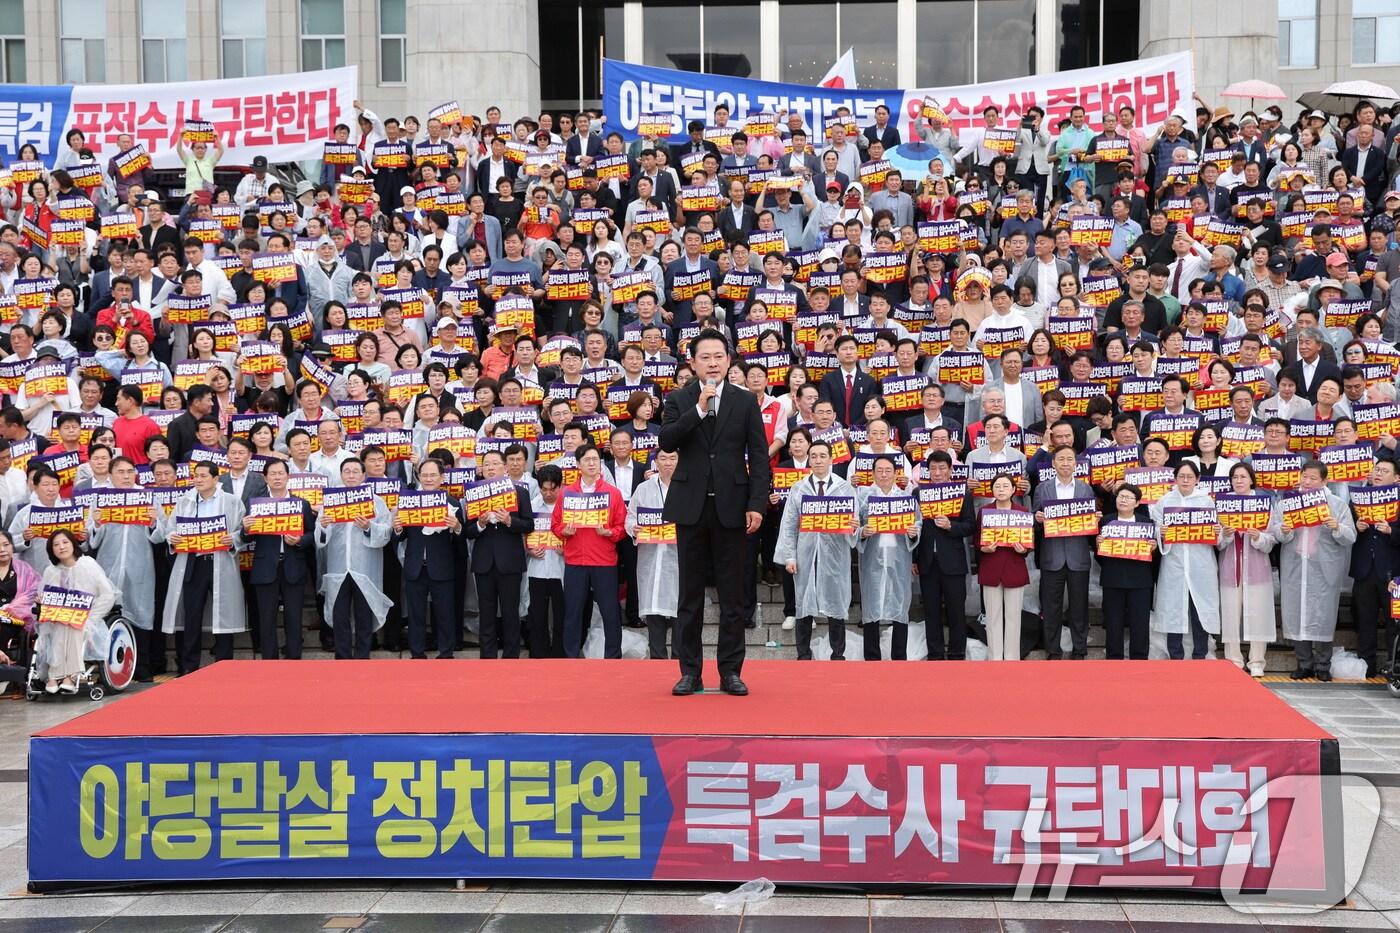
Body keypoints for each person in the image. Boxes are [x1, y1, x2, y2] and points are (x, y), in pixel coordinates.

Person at [659, 332, 770, 695]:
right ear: (692, 362)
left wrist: (756, 504)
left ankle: (730, 671)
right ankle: (690, 672)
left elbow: (759, 456)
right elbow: (667, 441)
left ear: (728, 360)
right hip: (691, 507)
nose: (712, 363)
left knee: (733, 596)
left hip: (732, 507)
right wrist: (698, 409)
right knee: (689, 597)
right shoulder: (679, 398)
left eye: (718, 356)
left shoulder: (744, 400)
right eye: (704, 357)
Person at [157, 462, 246, 675]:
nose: (198, 479)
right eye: (196, 476)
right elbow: (170, 529)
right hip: (193, 562)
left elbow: (242, 530)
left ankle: (224, 664)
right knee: (192, 614)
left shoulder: (231, 501)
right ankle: (189, 666)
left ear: (215, 479)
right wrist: (172, 537)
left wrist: (233, 538)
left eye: (203, 476)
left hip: (220, 561)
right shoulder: (185, 501)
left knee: (223, 612)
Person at [775, 439, 858, 661]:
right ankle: (803, 655)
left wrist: (853, 528)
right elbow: (789, 525)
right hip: (806, 554)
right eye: (814, 456)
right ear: (808, 460)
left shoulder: (844, 488)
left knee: (836, 603)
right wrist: (789, 556)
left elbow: (854, 526)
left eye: (822, 456)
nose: (818, 460)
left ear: (831, 459)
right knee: (804, 603)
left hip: (835, 555)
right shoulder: (798, 488)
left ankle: (838, 655)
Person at [1277, 460, 1357, 681]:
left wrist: (1337, 527)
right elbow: (1275, 531)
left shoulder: (1337, 505)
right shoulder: (1288, 503)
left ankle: (1323, 665)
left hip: (1323, 569)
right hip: (1295, 566)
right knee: (1297, 615)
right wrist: (1284, 530)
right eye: (1305, 477)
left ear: (1324, 481)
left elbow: (1351, 536)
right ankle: (1304, 664)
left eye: (1313, 478)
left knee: (1323, 616)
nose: (1308, 482)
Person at [86, 456, 161, 681]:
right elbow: (91, 540)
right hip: (108, 565)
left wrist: (154, 522)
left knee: (141, 613)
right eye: (120, 472)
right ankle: (107, 670)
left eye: (130, 472)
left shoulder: (148, 497)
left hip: (139, 565)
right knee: (108, 614)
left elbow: (161, 535)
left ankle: (141, 667)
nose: (126, 476)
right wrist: (97, 523)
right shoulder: (101, 499)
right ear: (110, 475)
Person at [551, 442, 626, 658]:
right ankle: (571, 656)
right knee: (573, 611)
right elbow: (555, 524)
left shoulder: (613, 493)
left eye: (595, 459)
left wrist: (609, 532)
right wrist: (564, 531)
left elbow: (622, 527)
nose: (592, 464)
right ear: (578, 464)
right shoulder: (567, 494)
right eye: (587, 460)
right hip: (576, 560)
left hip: (604, 561)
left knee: (610, 611)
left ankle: (613, 656)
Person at [318, 457, 393, 659]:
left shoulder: (376, 501)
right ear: (341, 475)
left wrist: (369, 527)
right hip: (338, 567)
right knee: (339, 614)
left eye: (355, 471)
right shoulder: (331, 500)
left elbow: (386, 532)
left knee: (364, 614)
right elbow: (320, 537)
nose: (351, 475)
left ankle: (362, 656)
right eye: (347, 471)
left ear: (363, 475)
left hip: (365, 568)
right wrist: (323, 525)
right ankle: (342, 656)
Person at [245, 459, 317, 660]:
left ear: (288, 476)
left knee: (294, 617)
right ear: (265, 477)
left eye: (281, 473)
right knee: (266, 619)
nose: (277, 477)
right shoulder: (256, 504)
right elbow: (246, 538)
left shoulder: (301, 504)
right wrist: (246, 528)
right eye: (273, 474)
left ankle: (294, 659)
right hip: (265, 567)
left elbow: (312, 534)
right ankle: (269, 661)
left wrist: (300, 540)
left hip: (293, 565)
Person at [465, 450, 533, 659]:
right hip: (484, 562)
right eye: (487, 464)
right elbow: (467, 531)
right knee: (486, 612)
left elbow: (529, 525)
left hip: (510, 562)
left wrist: (510, 521)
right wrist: (480, 524)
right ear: (482, 469)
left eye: (495, 464)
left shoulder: (519, 492)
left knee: (510, 612)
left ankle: (511, 657)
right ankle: (487, 656)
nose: (491, 468)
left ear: (505, 468)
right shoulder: (474, 494)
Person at [394, 456, 464, 659]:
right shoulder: (409, 501)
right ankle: (417, 653)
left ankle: (446, 653)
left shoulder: (452, 503)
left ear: (442, 478)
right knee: (415, 613)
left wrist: (457, 527)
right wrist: (397, 529)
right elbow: (400, 536)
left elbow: (462, 540)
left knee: (445, 613)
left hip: (442, 566)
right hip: (415, 566)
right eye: (424, 475)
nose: (428, 479)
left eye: (433, 475)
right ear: (418, 477)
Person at [1150, 461, 1220, 661]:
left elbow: (1217, 533)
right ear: (1175, 479)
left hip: (1201, 563)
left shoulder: (1206, 501)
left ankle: (1200, 654)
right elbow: (1154, 531)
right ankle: (1175, 655)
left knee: (1200, 609)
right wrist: (1160, 532)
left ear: (1197, 479)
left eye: (1190, 476)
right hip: (1175, 563)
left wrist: (1217, 531)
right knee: (1174, 609)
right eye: (1182, 476)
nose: (1186, 480)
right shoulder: (1165, 501)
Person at [35, 529, 117, 695]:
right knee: (59, 626)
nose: (61, 547)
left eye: (65, 542)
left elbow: (107, 595)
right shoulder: (50, 571)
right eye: (56, 544)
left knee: (75, 626)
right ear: (51, 550)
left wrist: (91, 617)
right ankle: (55, 674)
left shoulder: (88, 564)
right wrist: (42, 601)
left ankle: (70, 675)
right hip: (59, 618)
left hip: (87, 617)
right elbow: (46, 598)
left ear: (73, 544)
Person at [856, 454, 921, 660]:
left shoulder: (906, 499)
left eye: (888, 471)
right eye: (880, 470)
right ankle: (872, 657)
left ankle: (899, 657)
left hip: (898, 557)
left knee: (900, 604)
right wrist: (862, 532)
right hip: (872, 557)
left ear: (895, 474)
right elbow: (853, 525)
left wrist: (914, 532)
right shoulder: (863, 497)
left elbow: (918, 523)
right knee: (871, 605)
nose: (884, 475)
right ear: (873, 473)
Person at [1033, 444, 1094, 660]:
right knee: (1051, 607)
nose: (1066, 463)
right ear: (1053, 463)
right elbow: (1034, 523)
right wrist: (1037, 520)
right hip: (1052, 556)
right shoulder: (1042, 489)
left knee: (1079, 607)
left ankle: (1080, 649)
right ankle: (1053, 650)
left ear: (1076, 463)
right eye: (1061, 459)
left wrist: (1094, 519)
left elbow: (1090, 523)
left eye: (1070, 459)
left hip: (1078, 556)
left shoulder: (1086, 489)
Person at [1216, 462, 1277, 678]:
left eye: (1243, 476)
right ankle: (1233, 659)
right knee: (1230, 613)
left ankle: (1257, 661)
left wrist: (1259, 537)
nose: (1239, 481)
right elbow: (1215, 541)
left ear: (1252, 479)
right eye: (1235, 477)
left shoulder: (1263, 504)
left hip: (1257, 567)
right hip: (1230, 566)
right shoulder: (1222, 504)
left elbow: (1272, 539)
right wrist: (1225, 535)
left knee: (1258, 613)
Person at [916, 450, 975, 660]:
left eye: (942, 468)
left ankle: (957, 654)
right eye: (933, 468)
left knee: (956, 611)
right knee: (931, 611)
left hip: (953, 561)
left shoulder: (962, 493)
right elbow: (914, 528)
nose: (937, 472)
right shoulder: (918, 494)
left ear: (950, 470)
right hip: (927, 561)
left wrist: (951, 526)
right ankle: (935, 655)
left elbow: (970, 525)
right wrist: (914, 559)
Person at [626, 448, 680, 659]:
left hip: (678, 557)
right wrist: (634, 528)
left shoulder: (688, 486)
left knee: (680, 609)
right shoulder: (644, 488)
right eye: (663, 458)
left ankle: (680, 660)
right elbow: (630, 517)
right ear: (655, 462)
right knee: (653, 609)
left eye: (673, 458)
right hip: (651, 557)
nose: (668, 462)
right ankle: (657, 659)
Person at [1350, 459, 1400, 678]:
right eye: (1377, 469)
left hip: (1392, 571)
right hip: (1364, 568)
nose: (1378, 473)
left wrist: (1391, 531)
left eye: (1384, 471)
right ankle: (1366, 666)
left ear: (1396, 478)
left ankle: (1394, 665)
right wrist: (1357, 528)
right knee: (1364, 620)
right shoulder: (1357, 498)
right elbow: (1345, 532)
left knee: (1394, 622)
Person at [1095, 483, 1155, 660]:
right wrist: (1099, 545)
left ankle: (1139, 659)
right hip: (1113, 578)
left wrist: (1154, 548)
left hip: (1140, 580)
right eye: (1121, 496)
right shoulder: (1106, 521)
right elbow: (1099, 556)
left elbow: (1153, 557)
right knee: (1113, 622)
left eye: (1128, 498)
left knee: (1140, 623)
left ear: (1137, 503)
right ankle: (1114, 659)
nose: (1123, 500)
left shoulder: (1146, 523)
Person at [976, 474, 1031, 660]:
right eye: (997, 486)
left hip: (1014, 568)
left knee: (1014, 617)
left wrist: (1024, 549)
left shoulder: (1022, 512)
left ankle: (1012, 658)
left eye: (1005, 486)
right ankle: (995, 658)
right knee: (992, 617)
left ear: (1014, 490)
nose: (1001, 489)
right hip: (991, 568)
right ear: (992, 490)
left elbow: (1029, 542)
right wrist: (984, 548)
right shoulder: (984, 512)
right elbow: (976, 539)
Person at [526, 463, 566, 657]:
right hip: (538, 568)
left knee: (562, 615)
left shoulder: (568, 505)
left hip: (562, 568)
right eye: (544, 489)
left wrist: (567, 549)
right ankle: (538, 654)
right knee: (537, 615)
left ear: (560, 486)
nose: (548, 494)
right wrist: (529, 550)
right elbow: (523, 533)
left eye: (553, 489)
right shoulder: (532, 506)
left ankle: (560, 654)